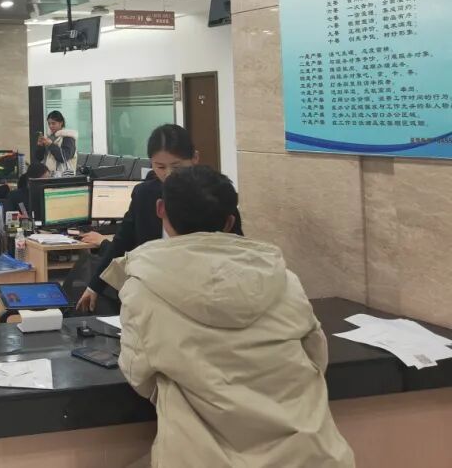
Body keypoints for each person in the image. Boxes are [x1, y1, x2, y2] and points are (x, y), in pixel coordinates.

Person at [103, 166, 354, 468]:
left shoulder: (142, 287)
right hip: (311, 454)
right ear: (230, 221)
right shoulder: (284, 279)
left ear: (160, 210)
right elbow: (316, 356)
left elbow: (139, 376)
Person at [77, 124, 243, 312]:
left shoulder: (216, 196)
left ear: (195, 158)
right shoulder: (144, 195)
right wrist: (94, 286)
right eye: (160, 167)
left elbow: (237, 248)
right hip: (152, 291)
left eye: (176, 166)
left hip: (208, 292)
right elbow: (122, 242)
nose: (168, 174)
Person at [35, 111, 78, 176]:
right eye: (49, 123)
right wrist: (40, 146)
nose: (50, 126)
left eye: (53, 123)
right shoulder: (50, 137)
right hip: (50, 175)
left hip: (64, 176)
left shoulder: (68, 137)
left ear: (61, 123)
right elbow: (39, 158)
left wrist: (50, 145)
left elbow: (64, 157)